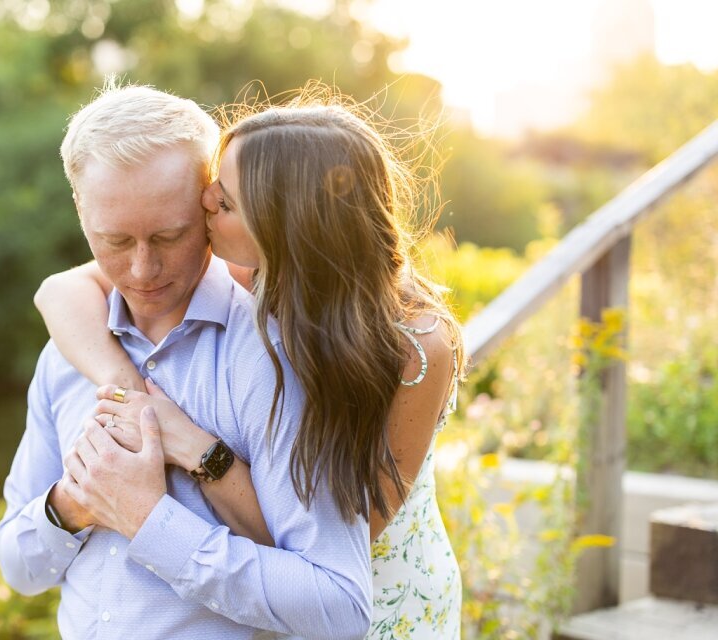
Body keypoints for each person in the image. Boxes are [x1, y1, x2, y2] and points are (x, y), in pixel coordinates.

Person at [35, 88, 464, 639]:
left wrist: (195, 448)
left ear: (285, 224)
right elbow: (60, 290)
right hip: (281, 611)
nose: (205, 201)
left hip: (386, 605)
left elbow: (340, 542)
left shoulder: (415, 346)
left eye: (226, 200)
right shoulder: (251, 274)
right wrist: (128, 391)